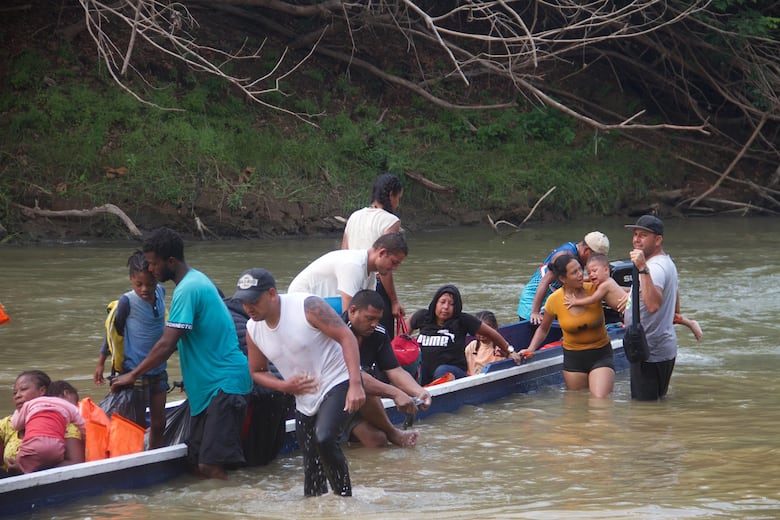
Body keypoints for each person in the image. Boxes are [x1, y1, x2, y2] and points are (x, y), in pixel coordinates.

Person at [110, 227, 252, 479]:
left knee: (209, 465)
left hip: (224, 386)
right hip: (208, 390)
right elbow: (180, 341)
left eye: (153, 264)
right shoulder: (194, 282)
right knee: (195, 464)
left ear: (171, 262)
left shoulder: (188, 289)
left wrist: (133, 375)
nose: (150, 269)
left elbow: (166, 344)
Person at [236, 268, 365, 497]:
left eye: (254, 301)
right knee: (311, 468)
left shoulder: (308, 306)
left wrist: (356, 383)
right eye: (244, 303)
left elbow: (347, 337)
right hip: (304, 396)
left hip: (337, 380)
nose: (248, 308)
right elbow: (257, 371)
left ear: (272, 294)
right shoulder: (252, 329)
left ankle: (345, 500)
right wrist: (284, 386)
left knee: (324, 438)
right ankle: (317, 509)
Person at [94, 250, 168, 449]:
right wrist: (101, 362)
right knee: (133, 424)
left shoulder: (161, 293)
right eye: (139, 284)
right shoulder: (127, 302)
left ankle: (155, 454)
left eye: (150, 284)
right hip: (133, 373)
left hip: (158, 370)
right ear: (131, 280)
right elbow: (114, 335)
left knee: (159, 422)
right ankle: (131, 457)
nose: (145, 289)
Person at [343, 289, 432, 448]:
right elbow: (355, 376)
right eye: (369, 318)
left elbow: (395, 371)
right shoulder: (338, 331)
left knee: (378, 441)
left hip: (362, 401)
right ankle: (393, 432)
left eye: (378, 319)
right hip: (335, 397)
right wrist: (396, 393)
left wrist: (419, 392)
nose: (374, 324)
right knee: (364, 386)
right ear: (352, 311)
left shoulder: (378, 333)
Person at [520, 254, 615, 398]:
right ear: (563, 279)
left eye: (579, 270)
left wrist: (636, 292)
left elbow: (621, 297)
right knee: (578, 406)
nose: (580, 275)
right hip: (574, 360)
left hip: (601, 354)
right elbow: (543, 329)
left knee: (600, 403)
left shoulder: (595, 289)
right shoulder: (554, 300)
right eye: (574, 272)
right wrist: (531, 348)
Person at [568, 254, 702, 340]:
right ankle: (688, 322)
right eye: (589, 272)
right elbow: (621, 288)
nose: (591, 275)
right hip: (630, 304)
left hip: (631, 306)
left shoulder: (605, 285)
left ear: (606, 270)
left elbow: (594, 299)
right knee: (663, 315)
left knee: (661, 316)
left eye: (594, 271)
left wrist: (576, 301)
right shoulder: (606, 281)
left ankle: (690, 323)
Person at [408, 284, 516, 385]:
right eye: (442, 302)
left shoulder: (462, 320)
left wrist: (509, 351)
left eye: (451, 304)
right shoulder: (422, 317)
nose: (446, 307)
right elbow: (401, 336)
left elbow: (491, 332)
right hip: (426, 373)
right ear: (435, 303)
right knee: (414, 367)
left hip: (453, 373)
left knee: (442, 370)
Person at [341, 173, 405, 338]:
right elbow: (385, 266)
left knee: (355, 329)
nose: (397, 204)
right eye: (398, 198)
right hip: (376, 285)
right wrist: (394, 301)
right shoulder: (391, 221)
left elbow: (343, 253)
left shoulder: (354, 217)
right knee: (381, 334)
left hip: (351, 282)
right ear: (391, 195)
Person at [624, 215, 680, 400]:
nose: (636, 240)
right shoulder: (667, 262)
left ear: (658, 240)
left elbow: (653, 304)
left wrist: (642, 268)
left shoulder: (653, 268)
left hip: (650, 352)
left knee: (644, 414)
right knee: (654, 409)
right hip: (660, 348)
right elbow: (676, 306)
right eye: (635, 234)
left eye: (643, 235)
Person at [288, 232, 408, 315]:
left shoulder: (370, 274)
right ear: (382, 253)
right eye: (393, 262)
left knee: (367, 309)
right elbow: (348, 312)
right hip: (299, 305)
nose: (395, 268)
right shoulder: (353, 265)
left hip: (322, 303)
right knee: (357, 310)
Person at [1, 371, 85, 476]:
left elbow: (75, 464)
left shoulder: (65, 425)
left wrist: (30, 472)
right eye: (14, 393)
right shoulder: (7, 425)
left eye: (23, 389)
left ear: (42, 391)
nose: (17, 396)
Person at [517, 231, 610, 324]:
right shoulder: (565, 255)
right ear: (586, 250)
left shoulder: (577, 253)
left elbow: (573, 281)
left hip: (551, 299)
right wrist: (535, 312)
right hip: (533, 303)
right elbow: (544, 281)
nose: (596, 261)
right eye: (596, 257)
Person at [464, 311, 519, 375]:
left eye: (485, 331)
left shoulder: (500, 346)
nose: (482, 334)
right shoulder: (472, 346)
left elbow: (509, 350)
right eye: (479, 331)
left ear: (494, 329)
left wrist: (510, 353)